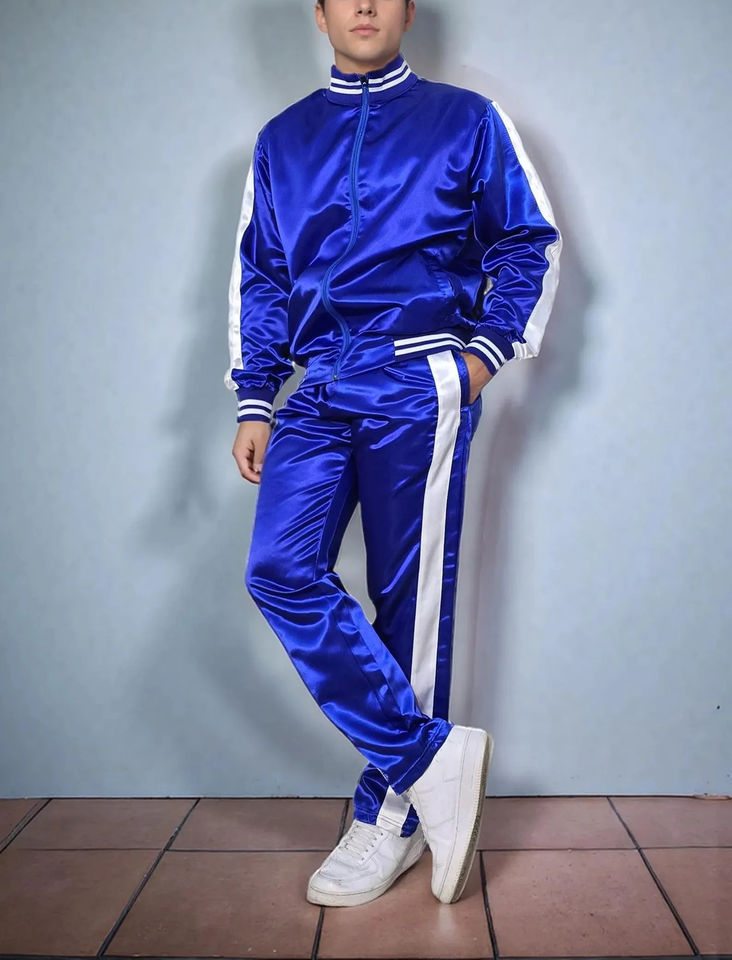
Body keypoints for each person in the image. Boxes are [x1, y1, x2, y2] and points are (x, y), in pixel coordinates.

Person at [225, 0, 562, 907]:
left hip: (418, 377)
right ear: (320, 13)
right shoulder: (282, 138)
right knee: (279, 569)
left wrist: (480, 358)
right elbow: (261, 272)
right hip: (317, 387)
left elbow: (529, 240)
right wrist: (257, 395)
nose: (364, 5)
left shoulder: (466, 120)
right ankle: (427, 760)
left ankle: (389, 818)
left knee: (410, 604)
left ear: (410, 9)